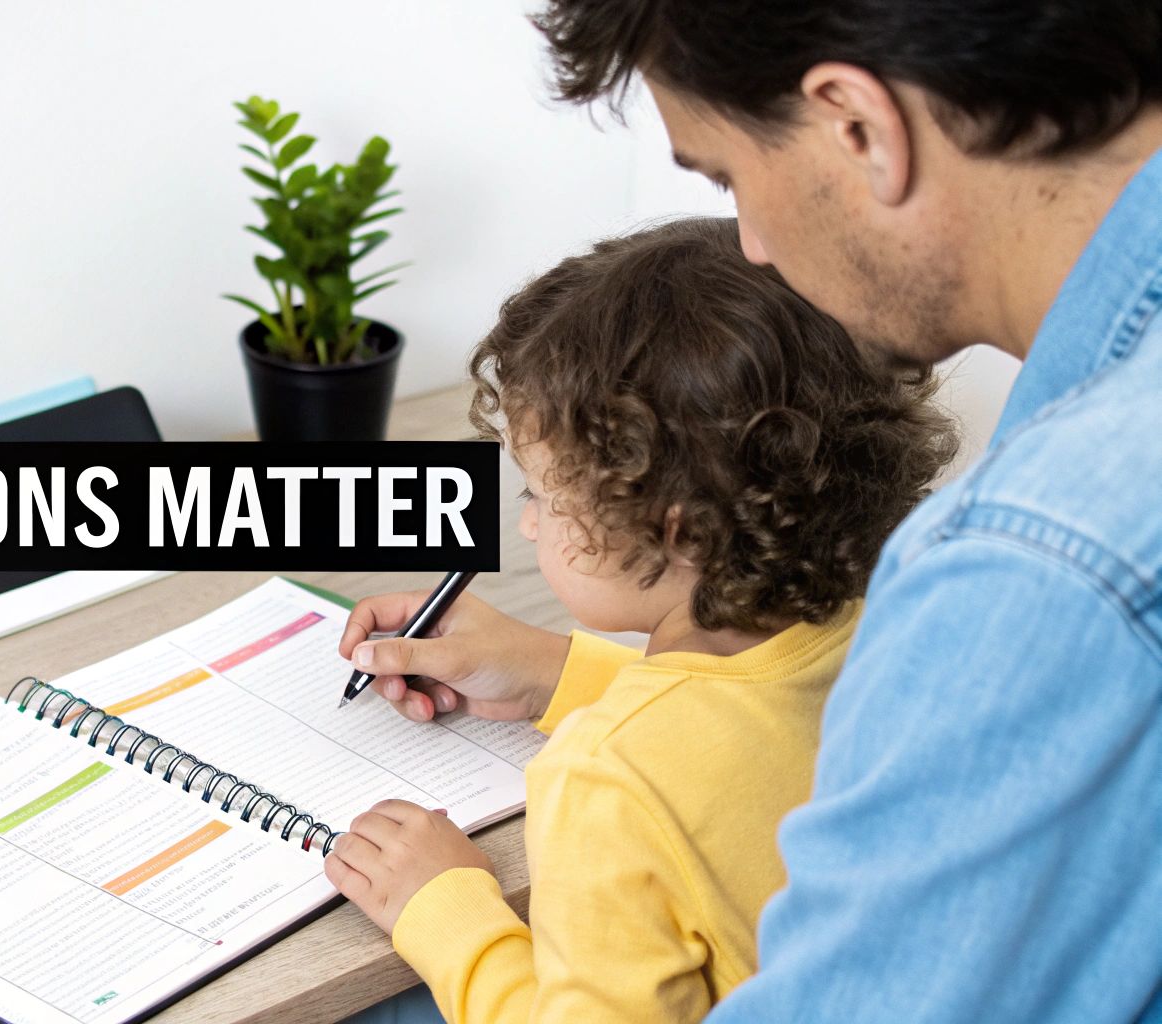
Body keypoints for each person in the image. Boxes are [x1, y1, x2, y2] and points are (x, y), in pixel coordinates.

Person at [353, 3, 1162, 1020]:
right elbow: (788, 707)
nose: (753, 245)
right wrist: (560, 670)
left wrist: (449, 919)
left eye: (725, 177)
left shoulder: (1029, 571)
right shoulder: (908, 594)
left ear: (855, 126)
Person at [327, 217, 955, 1022]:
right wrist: (556, 670)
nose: (525, 526)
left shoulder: (608, 782)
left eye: (542, 497)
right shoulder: (891, 620)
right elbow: (753, 720)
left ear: (678, 530)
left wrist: (447, 911)